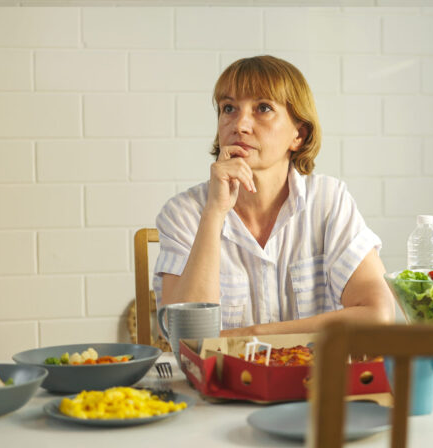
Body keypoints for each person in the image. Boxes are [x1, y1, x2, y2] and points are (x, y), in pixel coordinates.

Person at [153, 55, 394, 337]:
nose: (239, 125)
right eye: (228, 108)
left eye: (263, 108)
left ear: (299, 135)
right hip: (219, 380)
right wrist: (215, 212)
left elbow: (378, 315)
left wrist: (248, 334)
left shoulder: (329, 201)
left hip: (311, 378)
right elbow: (185, 338)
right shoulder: (184, 213)